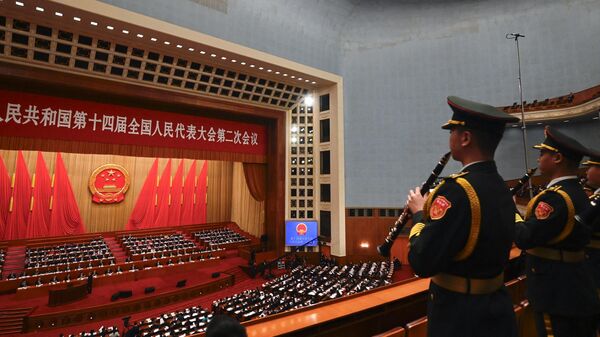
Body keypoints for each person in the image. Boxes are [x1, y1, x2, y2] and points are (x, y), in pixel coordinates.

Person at [406, 96, 519, 337]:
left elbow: (421, 261)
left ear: (465, 138)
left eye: (452, 132)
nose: (450, 139)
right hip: (496, 309)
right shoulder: (500, 185)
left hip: (461, 317)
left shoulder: (456, 190)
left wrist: (418, 214)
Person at [514, 126, 600, 337]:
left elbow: (525, 237)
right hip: (573, 286)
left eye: (543, 153)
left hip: (556, 292)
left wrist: (511, 211)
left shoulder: (556, 198)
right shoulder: (577, 192)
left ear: (557, 158)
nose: (538, 159)